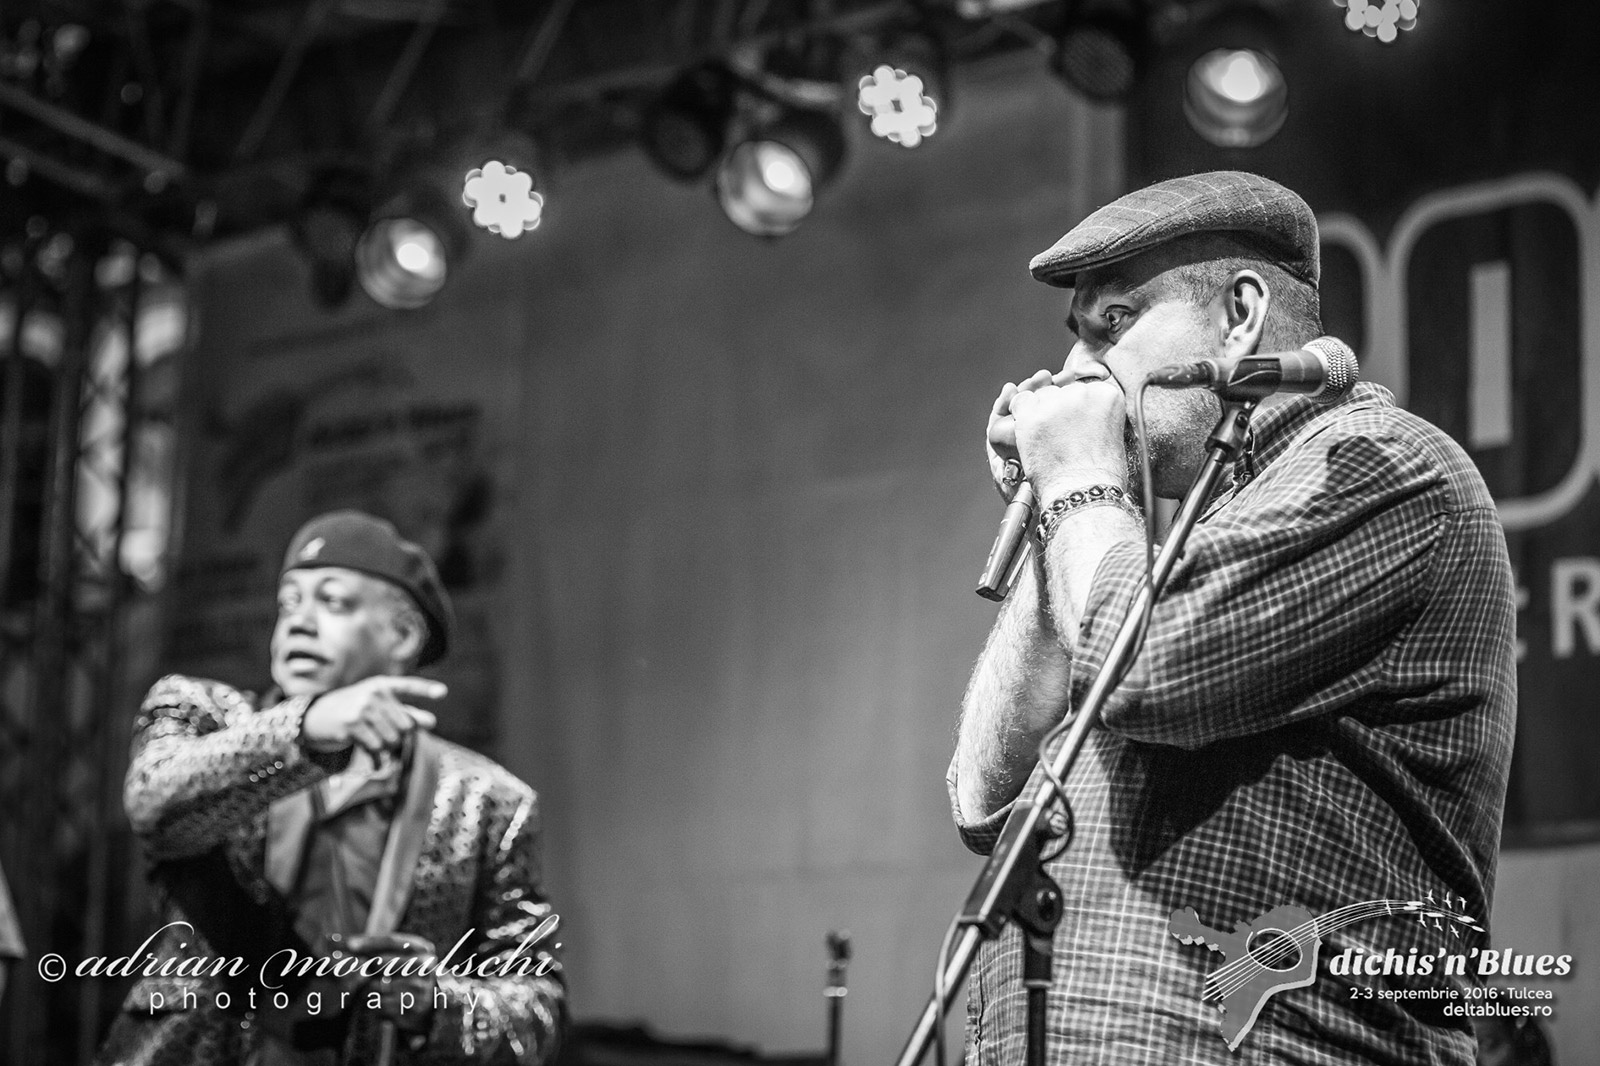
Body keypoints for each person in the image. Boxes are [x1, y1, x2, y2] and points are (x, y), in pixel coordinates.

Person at [949, 171, 1516, 1064]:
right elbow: (987, 798)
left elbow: (1144, 671)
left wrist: (1081, 482)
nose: (1075, 373)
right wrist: (1056, 509)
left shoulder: (1383, 465)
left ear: (1241, 315)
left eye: (1113, 323)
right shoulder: (1166, 549)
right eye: (1075, 337)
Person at [97, 510, 565, 1065]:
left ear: (402, 636)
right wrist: (306, 730)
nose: (300, 622)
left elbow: (539, 1007)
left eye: (334, 602)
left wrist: (436, 1003)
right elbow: (154, 803)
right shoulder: (205, 718)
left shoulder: (488, 802)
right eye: (289, 603)